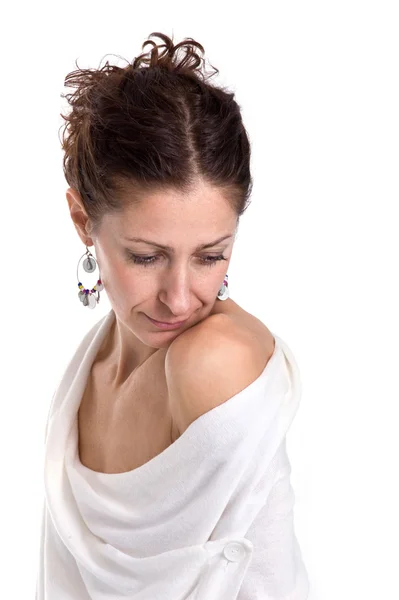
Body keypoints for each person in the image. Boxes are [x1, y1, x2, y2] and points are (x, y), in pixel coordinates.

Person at [35, 32, 310, 599]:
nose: (181, 299)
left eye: (211, 256)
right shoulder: (86, 369)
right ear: (82, 220)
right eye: (146, 256)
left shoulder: (212, 361)